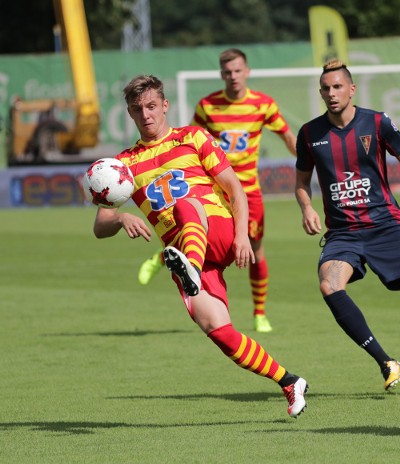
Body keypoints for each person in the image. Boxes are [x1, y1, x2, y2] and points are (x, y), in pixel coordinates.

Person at [92, 74, 307, 418]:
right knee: (218, 330)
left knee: (186, 205)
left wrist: (241, 236)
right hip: (184, 252)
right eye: (137, 109)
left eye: (151, 106)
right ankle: (289, 381)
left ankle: (189, 265)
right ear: (130, 114)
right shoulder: (124, 164)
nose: (146, 114)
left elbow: (235, 189)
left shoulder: (193, 137)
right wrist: (119, 219)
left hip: (217, 230)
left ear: (165, 106)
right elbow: (99, 226)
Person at [295, 59, 400, 395]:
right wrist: (307, 206)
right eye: (325, 88)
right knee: (329, 285)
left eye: (338, 86)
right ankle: (386, 362)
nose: (331, 93)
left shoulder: (377, 122)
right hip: (343, 234)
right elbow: (300, 181)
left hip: (386, 226)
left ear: (352, 89)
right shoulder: (309, 133)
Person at [138, 48, 297, 334]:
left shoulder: (263, 104)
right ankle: (167, 257)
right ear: (221, 74)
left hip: (246, 190)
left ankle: (259, 312)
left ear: (247, 71)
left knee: (254, 251)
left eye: (237, 71)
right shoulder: (208, 106)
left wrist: (309, 165)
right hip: (212, 188)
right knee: (188, 227)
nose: (233, 76)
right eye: (227, 72)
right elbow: (184, 141)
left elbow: (286, 135)